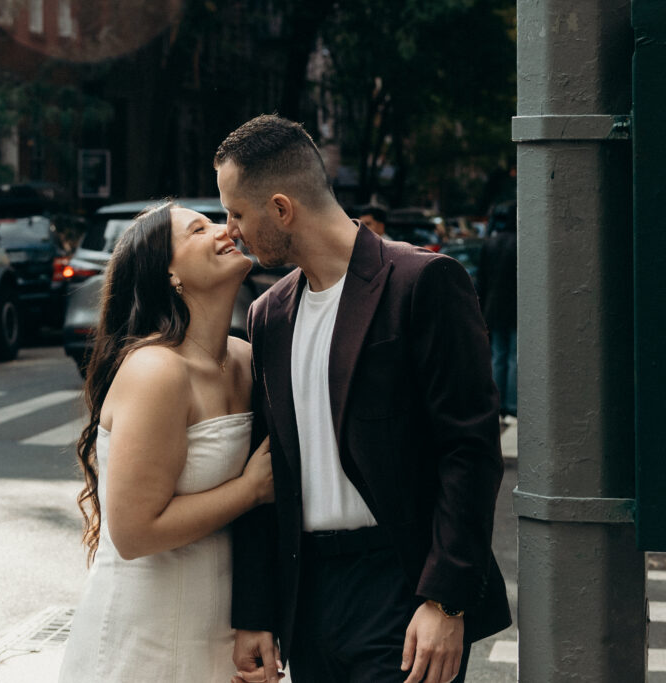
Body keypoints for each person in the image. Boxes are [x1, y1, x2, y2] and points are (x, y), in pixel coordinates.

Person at [214, 115, 512, 683]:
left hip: (402, 585)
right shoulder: (268, 315)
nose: (231, 231)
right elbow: (266, 473)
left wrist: (445, 599)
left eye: (236, 213)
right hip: (309, 594)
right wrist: (255, 614)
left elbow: (469, 451)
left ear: (281, 209)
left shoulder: (423, 282)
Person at [58, 202, 277, 681]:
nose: (225, 230)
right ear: (170, 274)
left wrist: (257, 621)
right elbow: (134, 533)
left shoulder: (245, 359)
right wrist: (251, 489)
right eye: (200, 228)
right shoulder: (156, 370)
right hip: (147, 637)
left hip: (219, 633)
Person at [478, 202, 518, 420]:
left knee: (498, 356)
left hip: (493, 309)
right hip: (516, 308)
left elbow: (481, 280)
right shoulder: (522, 242)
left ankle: (498, 404)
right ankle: (512, 405)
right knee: (513, 357)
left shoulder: (491, 243)